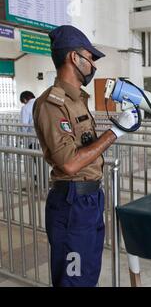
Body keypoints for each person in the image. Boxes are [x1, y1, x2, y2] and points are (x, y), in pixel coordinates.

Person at [33, 25, 138, 287]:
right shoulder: (51, 104)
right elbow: (69, 163)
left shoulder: (77, 100)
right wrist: (115, 131)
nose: (92, 64)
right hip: (72, 202)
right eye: (89, 57)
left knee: (87, 274)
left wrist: (117, 130)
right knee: (73, 278)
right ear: (73, 58)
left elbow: (86, 147)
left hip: (89, 199)